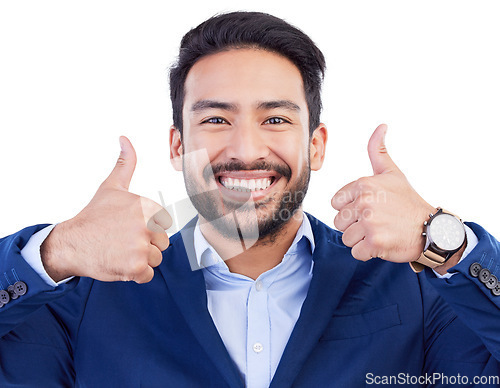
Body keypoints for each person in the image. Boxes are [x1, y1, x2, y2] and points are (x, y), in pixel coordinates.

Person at [1, 11, 499, 388]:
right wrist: (55, 251)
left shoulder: (419, 284)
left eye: (276, 119)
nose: (245, 150)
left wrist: (446, 241)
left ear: (316, 145)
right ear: (177, 146)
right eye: (216, 120)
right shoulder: (87, 295)